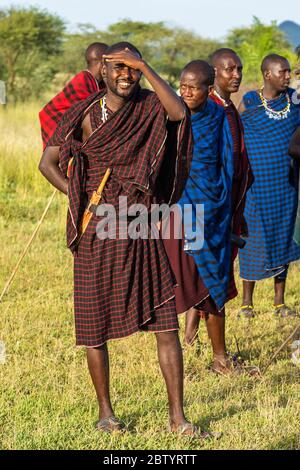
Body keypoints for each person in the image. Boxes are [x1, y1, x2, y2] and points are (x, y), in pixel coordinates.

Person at [38, 42, 205, 436]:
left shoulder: (150, 106)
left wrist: (144, 65)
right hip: (99, 225)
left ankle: (178, 418)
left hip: (143, 222)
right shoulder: (83, 112)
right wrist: (79, 199)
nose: (125, 76)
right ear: (104, 72)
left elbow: (179, 114)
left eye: (131, 69)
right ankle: (105, 413)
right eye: (118, 69)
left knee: (166, 321)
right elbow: (47, 163)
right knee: (93, 322)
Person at [163, 60, 241, 375]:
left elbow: (227, 165)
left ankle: (220, 359)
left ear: (208, 90)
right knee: (172, 281)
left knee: (213, 281)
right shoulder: (171, 117)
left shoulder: (219, 116)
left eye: (193, 87)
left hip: (210, 211)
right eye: (182, 85)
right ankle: (176, 351)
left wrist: (224, 208)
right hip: (177, 212)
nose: (186, 92)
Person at [238, 54, 300, 317]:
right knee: (250, 240)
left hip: (285, 185)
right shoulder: (250, 102)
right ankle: (246, 303)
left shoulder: (295, 100)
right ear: (267, 74)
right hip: (255, 187)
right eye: (282, 72)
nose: (287, 76)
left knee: (282, 237)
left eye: (289, 72)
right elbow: (236, 134)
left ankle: (278, 302)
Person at [39, 42, 108, 149]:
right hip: (60, 130)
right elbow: (94, 112)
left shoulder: (100, 83)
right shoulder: (83, 80)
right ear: (102, 63)